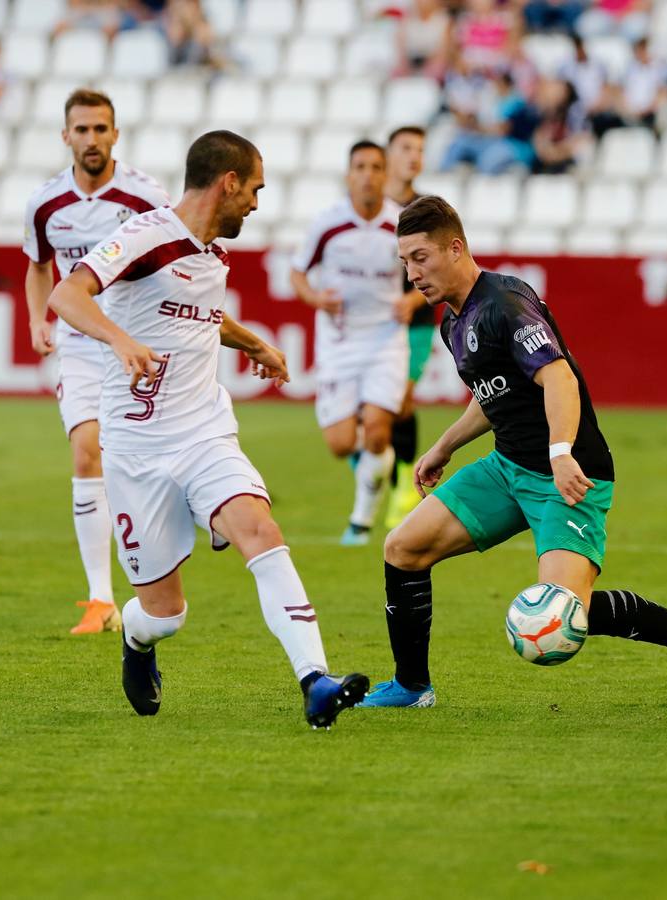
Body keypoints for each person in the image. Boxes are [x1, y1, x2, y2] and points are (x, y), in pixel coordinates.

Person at [45, 130, 369, 727]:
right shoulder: (146, 235)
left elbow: (202, 315)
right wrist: (119, 340)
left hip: (203, 434)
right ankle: (138, 641)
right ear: (228, 182)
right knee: (165, 615)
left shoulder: (211, 253)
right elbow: (68, 293)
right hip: (136, 449)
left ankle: (315, 681)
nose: (255, 203)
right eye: (255, 189)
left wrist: (256, 343)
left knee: (259, 528)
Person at [359, 196, 667, 713]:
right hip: (508, 468)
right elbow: (496, 395)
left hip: (569, 475)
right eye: (404, 262)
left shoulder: (505, 304)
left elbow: (558, 376)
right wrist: (443, 446)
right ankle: (412, 685)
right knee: (403, 548)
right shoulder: (453, 321)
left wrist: (560, 452)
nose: (411, 273)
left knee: (562, 613)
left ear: (455, 248)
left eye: (420, 258)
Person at [22, 89, 171, 636]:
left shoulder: (144, 197)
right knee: (87, 451)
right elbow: (39, 268)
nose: (91, 139)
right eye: (81, 129)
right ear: (66, 136)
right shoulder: (45, 205)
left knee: (145, 463)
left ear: (115, 134)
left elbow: (174, 259)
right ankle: (99, 599)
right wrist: (40, 319)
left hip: (136, 341)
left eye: (100, 129)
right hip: (83, 347)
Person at [290, 141, 422, 546]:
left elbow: (429, 275)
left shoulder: (399, 224)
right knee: (342, 443)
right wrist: (315, 298)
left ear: (385, 175)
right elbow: (298, 273)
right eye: (360, 166)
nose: (368, 174)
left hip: (386, 341)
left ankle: (360, 524)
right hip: (339, 344)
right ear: (349, 175)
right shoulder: (328, 223)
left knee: (380, 432)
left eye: (376, 167)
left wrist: (412, 299)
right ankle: (376, 477)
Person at [383, 126, 435, 530]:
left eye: (419, 149)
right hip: (368, 327)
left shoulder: (427, 209)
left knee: (402, 401)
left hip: (414, 321)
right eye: (406, 148)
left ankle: (403, 483)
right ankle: (382, 471)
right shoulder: (368, 208)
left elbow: (442, 268)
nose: (414, 156)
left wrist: (413, 298)